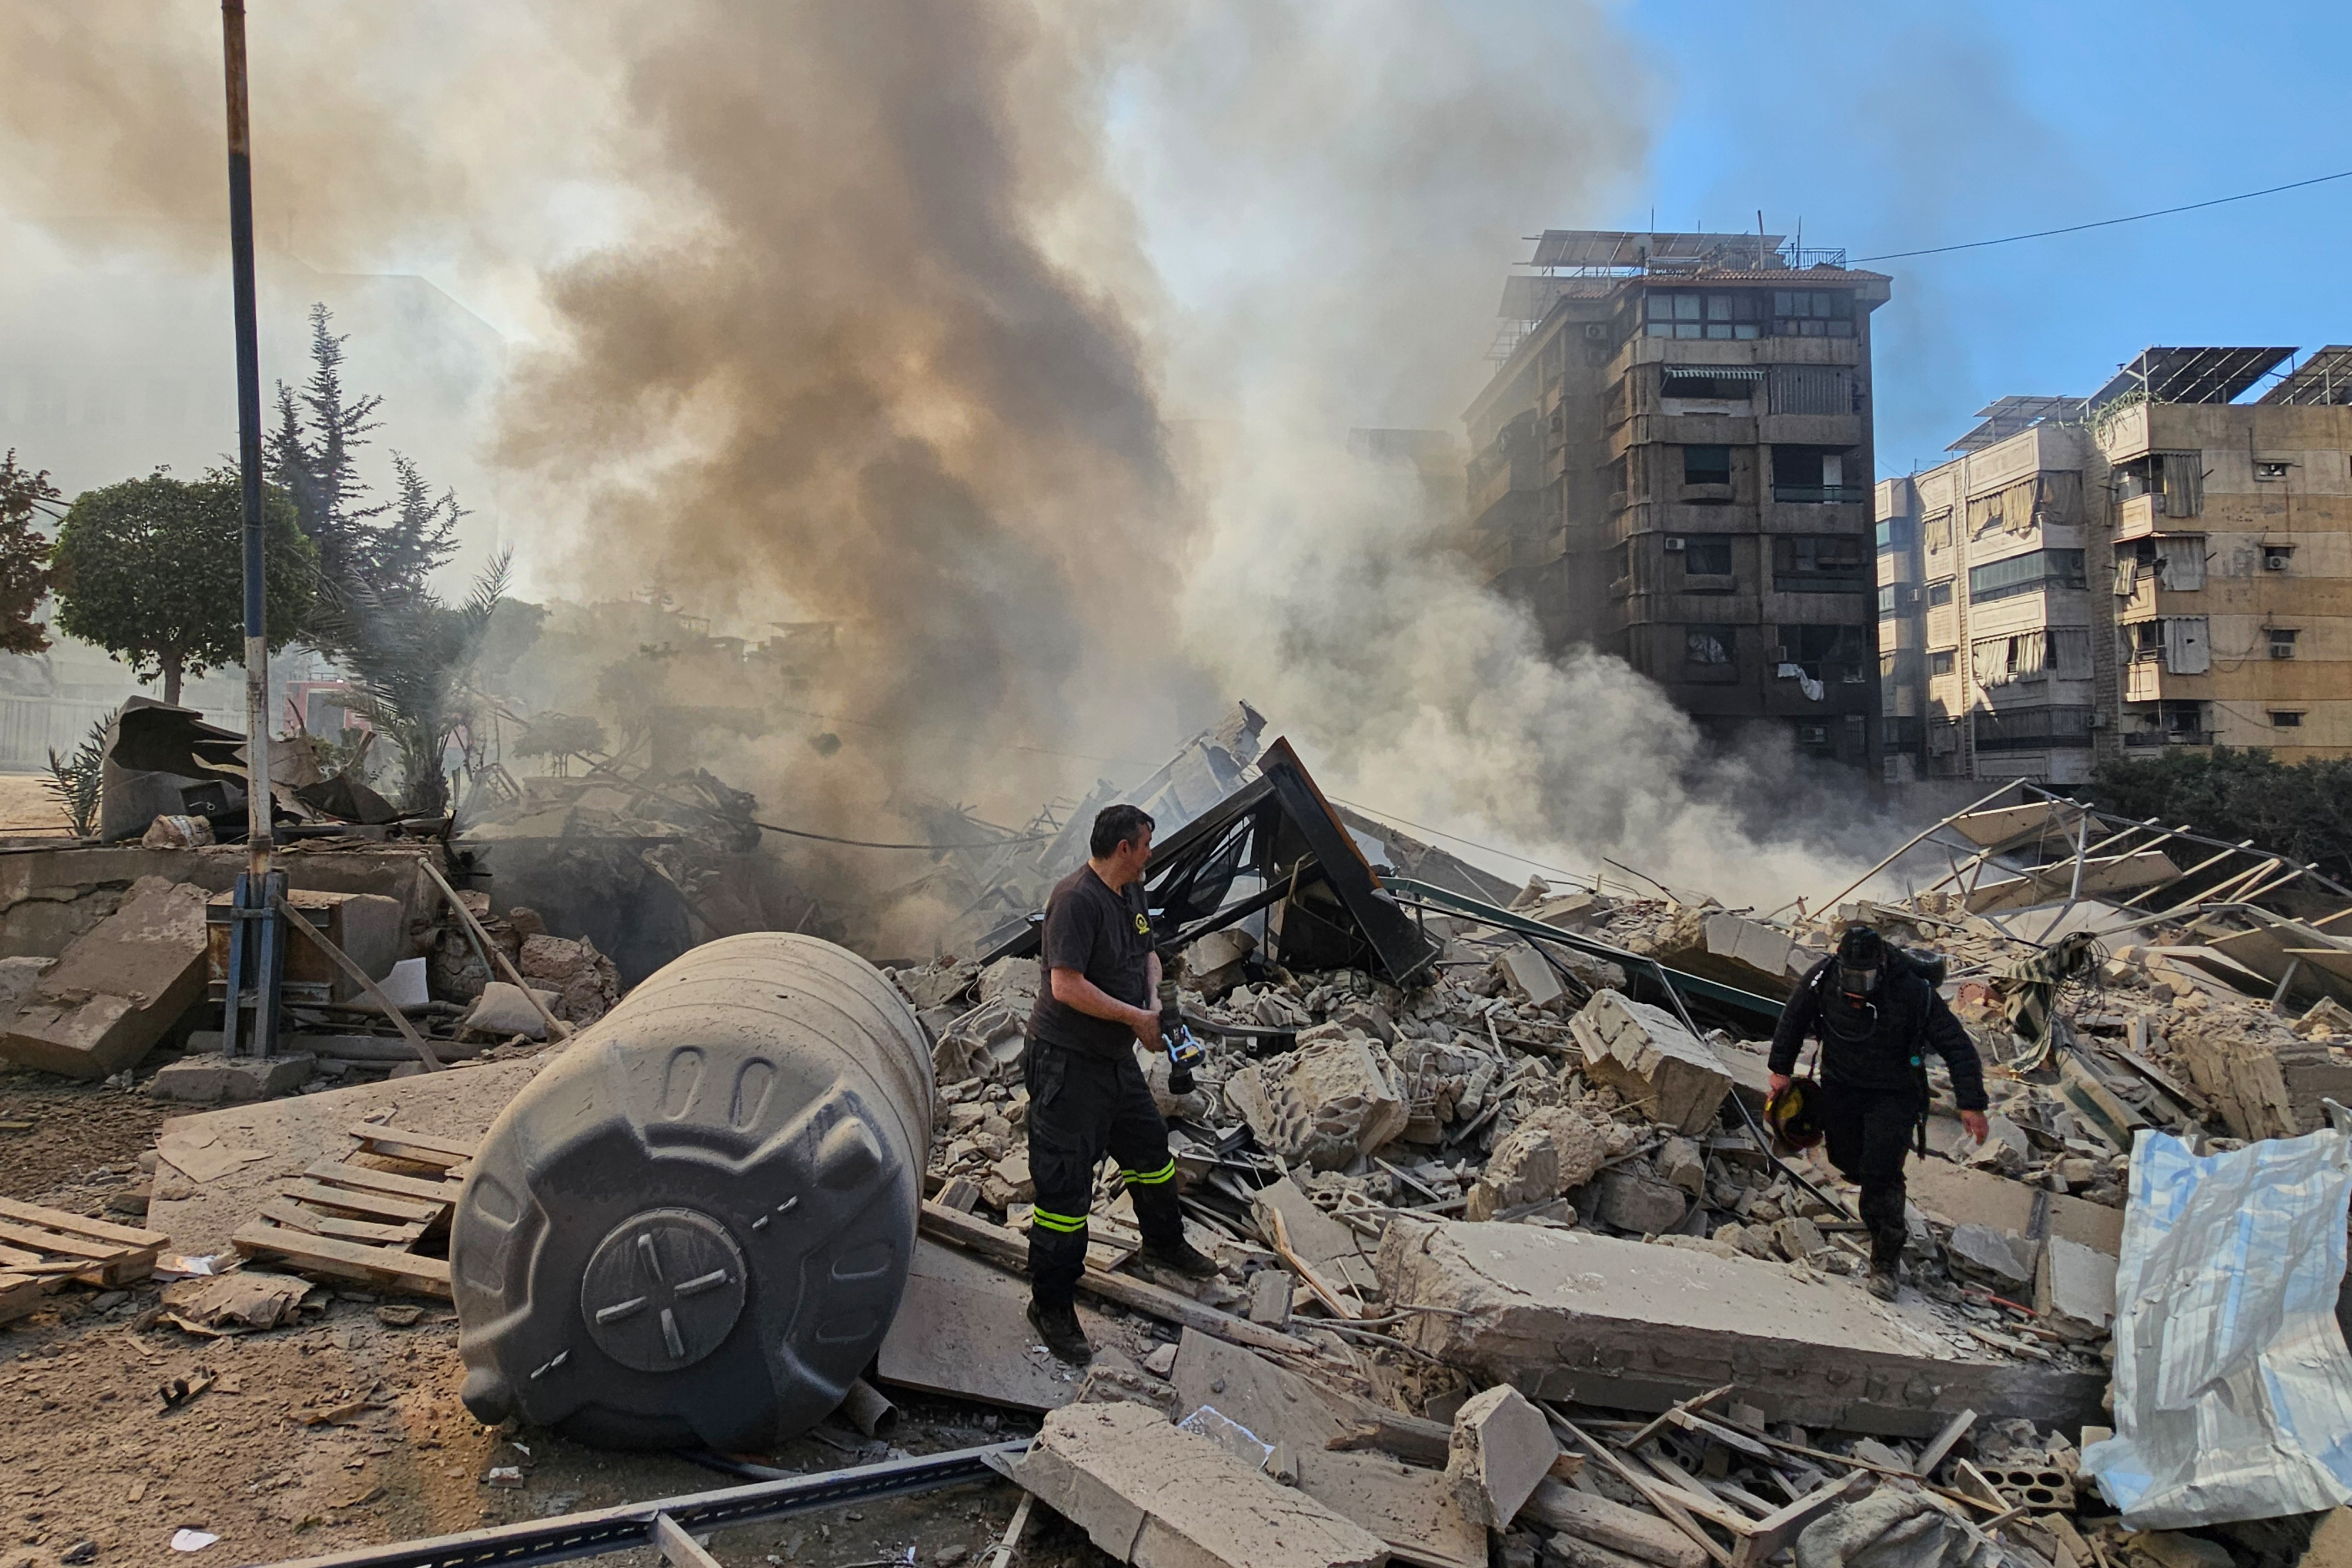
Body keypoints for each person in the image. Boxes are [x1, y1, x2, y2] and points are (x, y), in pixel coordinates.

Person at [1023, 803, 1218, 1363]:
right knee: (1065, 1189)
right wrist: (1135, 1020)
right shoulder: (1075, 900)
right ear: (1124, 848)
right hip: (1067, 1063)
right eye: (1146, 844)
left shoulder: (1130, 891)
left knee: (1150, 1152)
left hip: (1113, 1059)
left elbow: (1148, 955)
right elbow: (1067, 986)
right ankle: (1051, 1303)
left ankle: (1164, 1244)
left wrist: (1154, 1003)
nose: (1152, 853)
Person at [1769, 922, 1990, 1302]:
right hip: (1841, 1084)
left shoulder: (1912, 991)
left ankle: (1885, 1262)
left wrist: (1971, 1104)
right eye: (1852, 975)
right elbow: (1794, 1018)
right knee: (1845, 1159)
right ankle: (1874, 1198)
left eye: (1866, 976)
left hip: (1895, 1092)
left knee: (1881, 1170)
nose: (1859, 983)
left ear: (1882, 965)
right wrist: (1780, 1069)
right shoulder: (1822, 977)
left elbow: (1957, 1045)